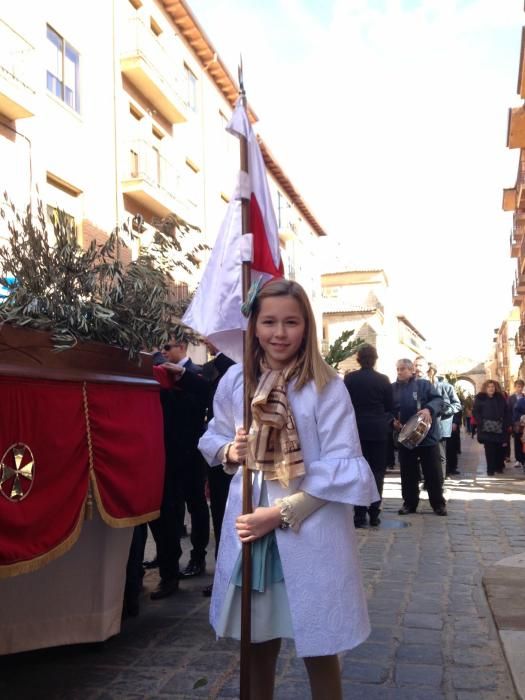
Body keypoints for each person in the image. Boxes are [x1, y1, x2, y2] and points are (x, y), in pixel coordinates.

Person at [198, 279, 378, 700]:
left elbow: (343, 469)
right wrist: (231, 449)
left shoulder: (325, 385)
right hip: (252, 532)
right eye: (270, 322)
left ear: (306, 326)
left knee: (319, 643)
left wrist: (276, 515)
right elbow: (212, 436)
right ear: (254, 327)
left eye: (291, 322)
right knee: (256, 642)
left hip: (306, 528)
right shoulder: (236, 382)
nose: (280, 333)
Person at [149, 338, 211, 600]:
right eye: (161, 348)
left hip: (191, 453)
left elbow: (198, 410)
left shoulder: (196, 375)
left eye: (169, 347)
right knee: (170, 511)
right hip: (168, 455)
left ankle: (198, 555)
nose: (164, 352)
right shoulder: (159, 378)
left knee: (195, 504)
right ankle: (168, 564)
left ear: (182, 348)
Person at [200, 340, 236, 597]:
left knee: (228, 521)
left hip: (237, 466)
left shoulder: (229, 365)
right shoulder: (219, 367)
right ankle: (225, 573)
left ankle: (231, 575)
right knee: (221, 520)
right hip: (221, 456)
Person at [344, 343, 394, 528]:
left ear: (358, 359)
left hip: (356, 430)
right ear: (375, 359)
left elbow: (344, 403)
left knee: (358, 471)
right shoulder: (383, 379)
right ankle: (374, 513)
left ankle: (359, 515)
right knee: (377, 472)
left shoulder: (350, 379)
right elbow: (390, 405)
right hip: (379, 430)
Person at [392, 358, 447, 516]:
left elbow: (438, 400)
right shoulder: (393, 388)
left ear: (411, 370)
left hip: (427, 437)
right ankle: (409, 503)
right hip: (405, 438)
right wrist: (393, 421)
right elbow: (388, 409)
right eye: (398, 369)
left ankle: (438, 504)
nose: (400, 372)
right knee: (408, 473)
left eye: (403, 369)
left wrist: (428, 409)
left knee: (433, 473)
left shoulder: (424, 385)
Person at [414, 357, 462, 479]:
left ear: (428, 369)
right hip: (420, 426)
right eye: (416, 365)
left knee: (439, 456)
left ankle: (439, 481)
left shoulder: (445, 387)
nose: (417, 368)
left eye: (420, 365)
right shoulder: (412, 385)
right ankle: (425, 479)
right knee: (420, 455)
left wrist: (444, 410)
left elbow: (457, 405)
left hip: (440, 426)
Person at [473, 380, 511, 476]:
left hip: (499, 427)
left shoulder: (500, 398)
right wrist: (481, 422)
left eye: (493, 387)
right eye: (489, 386)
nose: (491, 388)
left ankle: (498, 467)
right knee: (489, 449)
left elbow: (506, 411)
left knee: (499, 448)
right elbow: (476, 412)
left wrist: (506, 423)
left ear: (495, 388)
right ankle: (490, 469)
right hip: (486, 428)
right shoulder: (480, 398)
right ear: (485, 388)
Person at [509, 379, 525, 467]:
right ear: (515, 387)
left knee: (523, 441)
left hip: (524, 423)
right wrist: (511, 423)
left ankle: (523, 459)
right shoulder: (511, 398)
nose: (520, 388)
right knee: (517, 441)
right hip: (515, 423)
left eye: (521, 387)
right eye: (518, 387)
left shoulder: (524, 397)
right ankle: (518, 459)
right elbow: (509, 411)